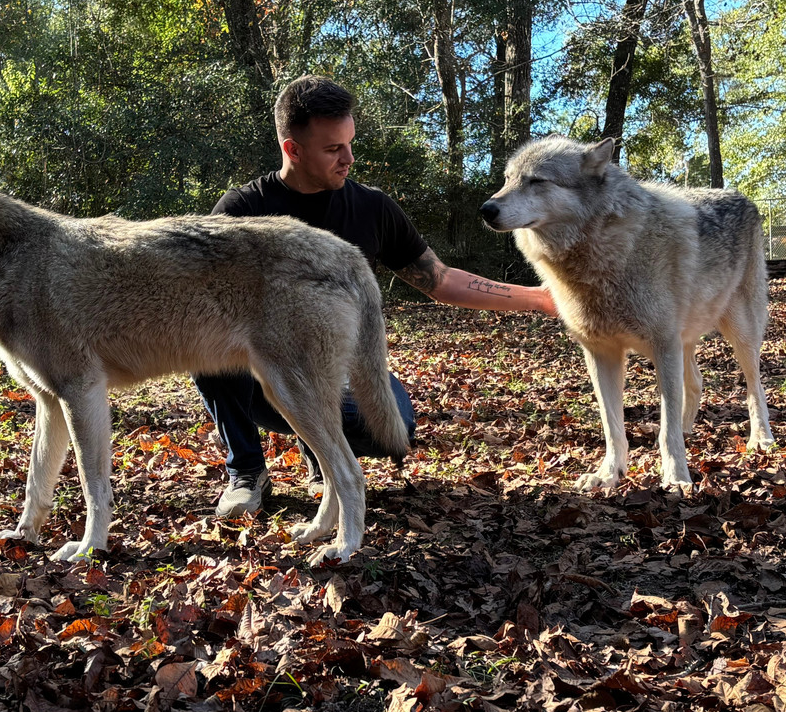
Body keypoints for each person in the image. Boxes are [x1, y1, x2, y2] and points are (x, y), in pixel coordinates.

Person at [195, 75, 556, 517]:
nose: (349, 158)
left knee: (391, 428)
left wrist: (539, 297)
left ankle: (322, 452)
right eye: (333, 149)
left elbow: (439, 280)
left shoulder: (372, 207)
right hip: (262, 373)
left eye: (350, 143)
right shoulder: (240, 211)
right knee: (207, 352)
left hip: (337, 369)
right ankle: (247, 471)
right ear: (292, 149)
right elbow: (203, 305)